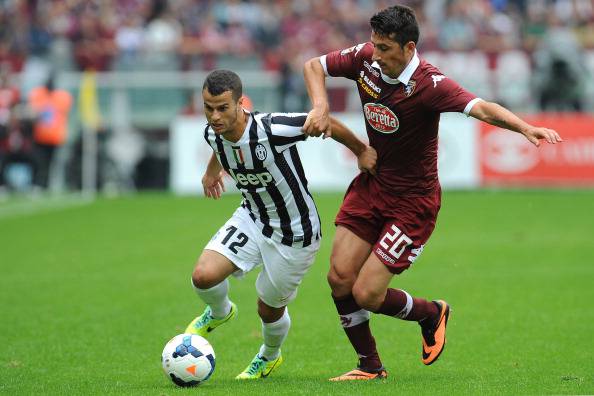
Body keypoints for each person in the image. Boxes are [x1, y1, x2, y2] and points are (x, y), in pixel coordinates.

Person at [302, 4, 563, 381]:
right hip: (373, 185)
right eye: (374, 45)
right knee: (339, 278)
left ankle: (431, 313)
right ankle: (370, 367)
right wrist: (321, 106)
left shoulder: (430, 85)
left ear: (408, 48)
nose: (376, 55)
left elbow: (481, 108)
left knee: (367, 295)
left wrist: (525, 128)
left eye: (385, 49)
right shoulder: (366, 60)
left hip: (412, 205)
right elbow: (314, 65)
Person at [185, 69, 377, 380]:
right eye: (208, 107)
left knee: (268, 310)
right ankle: (220, 312)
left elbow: (324, 123)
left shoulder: (271, 129)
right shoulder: (212, 132)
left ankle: (269, 356)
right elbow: (219, 147)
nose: (215, 116)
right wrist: (211, 173)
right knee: (202, 276)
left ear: (239, 104)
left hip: (295, 234)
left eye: (222, 107)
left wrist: (361, 151)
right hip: (252, 216)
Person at [28, 75, 73, 190]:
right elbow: (33, 112)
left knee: (51, 163)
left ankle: (46, 185)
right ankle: (38, 183)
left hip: (55, 137)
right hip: (40, 136)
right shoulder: (38, 95)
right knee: (39, 162)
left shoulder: (62, 97)